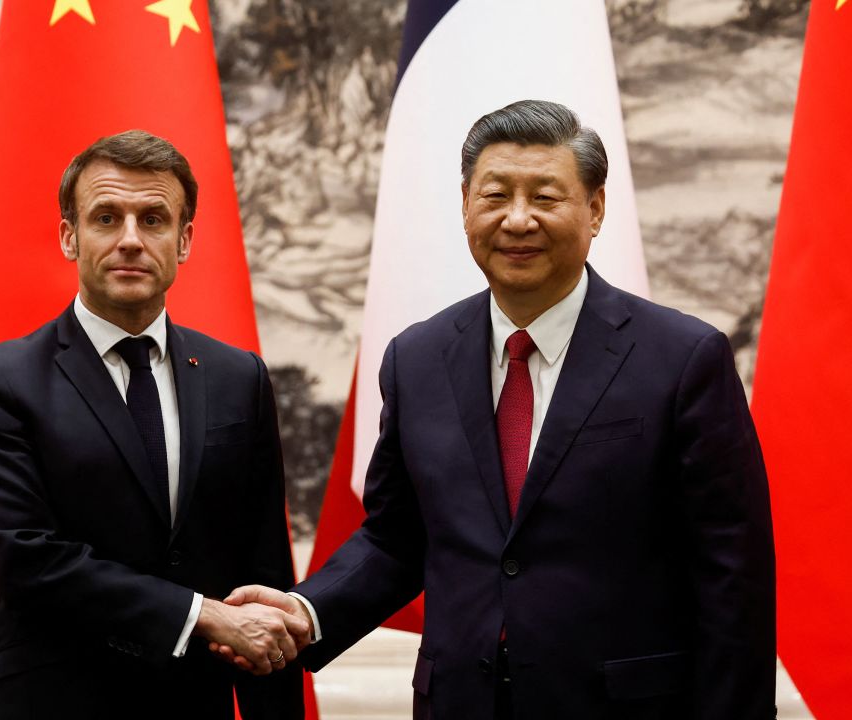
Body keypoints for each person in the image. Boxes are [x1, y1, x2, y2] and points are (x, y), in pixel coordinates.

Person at [221, 100, 776, 719]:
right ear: (466, 205)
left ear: (594, 208)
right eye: (495, 196)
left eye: (545, 197)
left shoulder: (681, 358)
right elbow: (397, 537)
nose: (517, 220)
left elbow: (733, 575)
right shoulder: (417, 358)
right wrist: (307, 610)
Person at [0, 130, 305, 719]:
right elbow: (27, 560)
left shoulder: (238, 376)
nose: (131, 241)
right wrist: (200, 614)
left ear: (184, 240)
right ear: (71, 235)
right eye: (107, 218)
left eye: (154, 219)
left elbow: (261, 576)